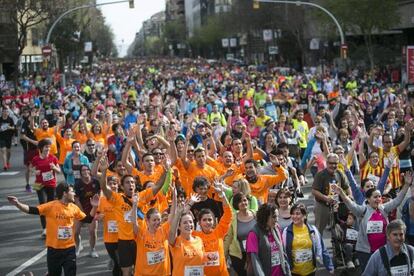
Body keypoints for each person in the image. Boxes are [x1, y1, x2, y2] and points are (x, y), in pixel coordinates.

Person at [99, 155, 169, 276]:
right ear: (122, 186)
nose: (130, 185)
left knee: (139, 269)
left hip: (140, 240)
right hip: (124, 241)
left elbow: (158, 186)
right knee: (126, 271)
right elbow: (104, 188)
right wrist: (104, 170)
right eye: (127, 183)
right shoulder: (117, 198)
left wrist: (166, 170)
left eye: (132, 182)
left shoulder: (142, 196)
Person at [331, 171, 412, 273]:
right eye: (375, 197)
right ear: (368, 199)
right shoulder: (362, 210)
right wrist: (341, 193)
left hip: (384, 250)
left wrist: (407, 184)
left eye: (379, 196)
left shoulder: (384, 209)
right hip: (366, 252)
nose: (378, 199)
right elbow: (350, 203)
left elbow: (398, 200)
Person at [7, 183, 86, 276]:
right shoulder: (51, 206)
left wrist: (95, 207)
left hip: (69, 249)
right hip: (54, 251)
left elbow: (86, 219)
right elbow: (32, 210)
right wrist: (18, 204)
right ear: (65, 193)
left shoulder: (74, 208)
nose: (74, 193)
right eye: (72, 191)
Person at [193, 180, 233, 276]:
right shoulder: (194, 236)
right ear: (199, 222)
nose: (207, 222)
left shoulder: (219, 232)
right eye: (204, 220)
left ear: (214, 221)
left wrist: (222, 195)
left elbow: (228, 213)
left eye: (210, 220)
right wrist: (190, 203)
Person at [282, 203, 334, 276]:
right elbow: (283, 252)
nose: (294, 216)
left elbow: (322, 248)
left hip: (311, 271)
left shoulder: (313, 230)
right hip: (294, 272)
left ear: (305, 215)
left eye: (297, 214)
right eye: (292, 214)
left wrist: (329, 266)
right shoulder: (286, 232)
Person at [311, 153, 351, 236]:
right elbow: (314, 191)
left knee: (344, 225)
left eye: (335, 163)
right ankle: (318, 246)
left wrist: (350, 196)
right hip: (323, 204)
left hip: (337, 204)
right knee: (319, 229)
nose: (333, 165)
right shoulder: (320, 175)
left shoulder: (340, 173)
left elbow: (347, 187)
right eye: (331, 163)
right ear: (326, 163)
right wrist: (326, 198)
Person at [169, 189, 205, 276]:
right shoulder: (175, 241)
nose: (188, 224)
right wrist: (178, 213)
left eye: (190, 222)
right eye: (185, 222)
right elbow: (172, 232)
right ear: (179, 227)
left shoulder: (199, 240)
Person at [247, 203, 291, 276]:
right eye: (274, 217)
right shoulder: (254, 234)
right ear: (265, 217)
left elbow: (283, 253)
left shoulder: (277, 228)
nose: (277, 220)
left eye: (277, 216)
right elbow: (255, 260)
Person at [90, 176, 122, 276]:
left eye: (115, 183)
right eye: (110, 184)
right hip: (110, 238)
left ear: (118, 186)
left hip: (124, 237)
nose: (113, 186)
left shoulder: (123, 198)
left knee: (121, 263)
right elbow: (95, 216)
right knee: (118, 262)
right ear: (107, 186)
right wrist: (98, 216)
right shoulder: (102, 200)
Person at [30, 138, 61, 237]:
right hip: (39, 184)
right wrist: (35, 172)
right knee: (43, 206)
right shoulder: (35, 159)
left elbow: (59, 171)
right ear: (41, 148)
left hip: (51, 184)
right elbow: (31, 169)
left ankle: (52, 225)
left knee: (51, 206)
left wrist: (54, 167)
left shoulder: (53, 158)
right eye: (46, 147)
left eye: (49, 146)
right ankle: (45, 228)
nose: (48, 148)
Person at [224, 192, 256, 276]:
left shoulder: (256, 215)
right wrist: (224, 255)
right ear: (236, 204)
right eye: (240, 201)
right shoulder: (233, 219)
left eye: (245, 200)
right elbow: (228, 238)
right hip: (238, 255)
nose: (243, 203)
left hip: (255, 253)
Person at [73, 165, 100, 257]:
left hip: (93, 210)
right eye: (83, 170)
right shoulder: (77, 184)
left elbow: (101, 194)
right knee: (76, 232)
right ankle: (78, 245)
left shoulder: (96, 182)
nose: (85, 171)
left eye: (87, 169)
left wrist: (99, 208)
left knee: (92, 231)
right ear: (80, 173)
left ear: (89, 171)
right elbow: (76, 199)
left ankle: (92, 249)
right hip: (80, 210)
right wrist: (82, 213)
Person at [20, 107, 38, 192]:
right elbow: (22, 136)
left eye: (35, 112)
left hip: (39, 148)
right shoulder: (25, 123)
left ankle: (38, 185)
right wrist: (33, 141)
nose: (34, 113)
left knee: (40, 166)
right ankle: (27, 185)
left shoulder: (37, 121)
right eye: (33, 112)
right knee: (29, 167)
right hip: (29, 148)